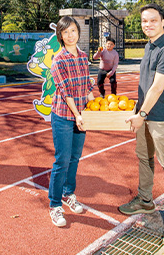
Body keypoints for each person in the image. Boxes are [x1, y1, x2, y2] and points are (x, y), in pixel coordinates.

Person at [119, 3, 164, 247]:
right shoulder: (150, 45)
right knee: (144, 158)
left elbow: (158, 86)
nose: (148, 25)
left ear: (163, 22)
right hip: (145, 115)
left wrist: (142, 113)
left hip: (161, 117)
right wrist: (138, 110)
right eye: (144, 21)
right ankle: (145, 200)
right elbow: (146, 83)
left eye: (153, 21)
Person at [47, 16, 96, 227]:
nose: (70, 35)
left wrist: (96, 109)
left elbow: (86, 88)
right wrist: (78, 116)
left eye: (73, 31)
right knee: (62, 160)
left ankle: (69, 194)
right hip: (64, 116)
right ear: (60, 35)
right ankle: (55, 205)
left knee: (75, 158)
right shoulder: (58, 60)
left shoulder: (84, 57)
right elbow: (66, 93)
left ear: (78, 32)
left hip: (81, 115)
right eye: (65, 32)